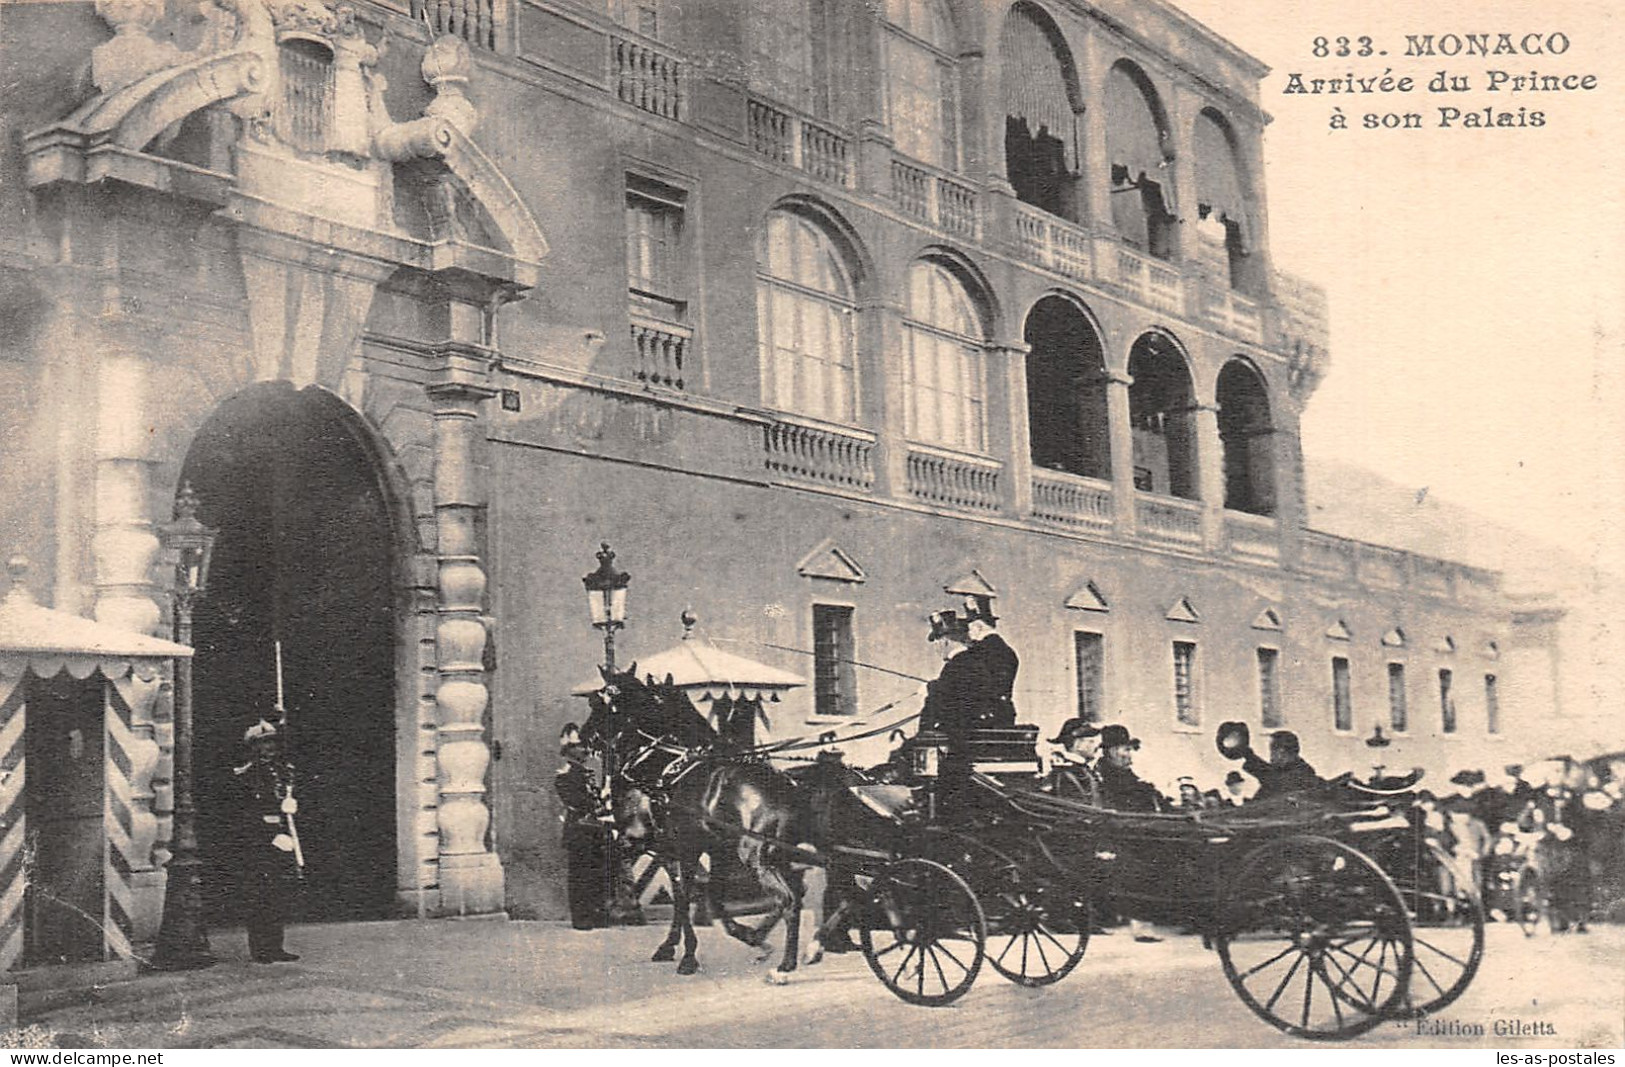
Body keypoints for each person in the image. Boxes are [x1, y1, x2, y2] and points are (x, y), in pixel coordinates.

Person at [233, 718, 301, 963]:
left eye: (272, 743)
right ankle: (260, 949)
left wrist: (289, 809)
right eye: (264, 744)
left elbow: (283, 801)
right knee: (259, 895)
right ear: (253, 747)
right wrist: (270, 835)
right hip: (259, 844)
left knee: (278, 894)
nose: (270, 748)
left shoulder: (281, 772)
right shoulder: (246, 775)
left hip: (281, 838)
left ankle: (275, 946)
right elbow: (244, 814)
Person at [1093, 724, 1164, 943]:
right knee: (1148, 859)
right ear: (1113, 751)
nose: (1129, 756)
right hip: (1122, 831)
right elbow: (1124, 799)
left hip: (1133, 826)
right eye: (1126, 750)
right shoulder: (1106, 773)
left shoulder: (1120, 771)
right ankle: (1141, 922)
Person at [555, 740, 610, 930]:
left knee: (596, 873)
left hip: (593, 829)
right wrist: (596, 806)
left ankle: (596, 914)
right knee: (580, 875)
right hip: (578, 830)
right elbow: (575, 801)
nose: (586, 749)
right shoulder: (566, 775)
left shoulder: (586, 772)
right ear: (569, 750)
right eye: (580, 746)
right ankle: (581, 918)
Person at [1239, 728, 1323, 802]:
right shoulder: (1286, 771)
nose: (1271, 755)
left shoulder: (1301, 773)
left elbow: (1274, 779)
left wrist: (1249, 756)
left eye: (1272, 750)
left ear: (1280, 752)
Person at [1041, 718, 1102, 802]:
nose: (1097, 747)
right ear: (1078, 744)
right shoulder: (1065, 774)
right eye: (1091, 741)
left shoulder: (1081, 769)